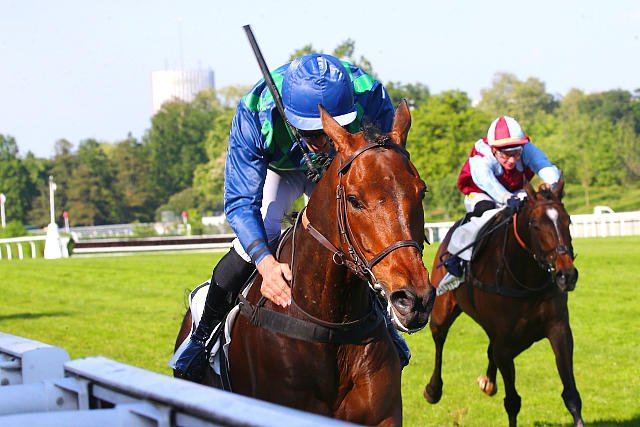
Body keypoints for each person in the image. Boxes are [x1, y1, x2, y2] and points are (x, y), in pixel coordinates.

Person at [174, 53, 410, 380]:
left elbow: (387, 168)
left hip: (342, 169)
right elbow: (241, 202)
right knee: (262, 231)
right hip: (279, 170)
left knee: (357, 236)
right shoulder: (255, 112)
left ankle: (384, 322)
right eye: (311, 134)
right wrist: (266, 265)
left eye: (331, 130)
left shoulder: (369, 94)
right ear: (287, 114)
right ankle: (203, 336)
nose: (322, 142)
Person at [438, 115, 560, 293]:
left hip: (515, 191)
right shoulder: (481, 156)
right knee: (485, 210)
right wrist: (506, 198)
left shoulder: (526, 148)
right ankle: (456, 259)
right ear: (494, 149)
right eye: (506, 155)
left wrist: (552, 184)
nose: (512, 160)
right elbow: (487, 182)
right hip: (481, 192)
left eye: (516, 153)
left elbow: (544, 165)